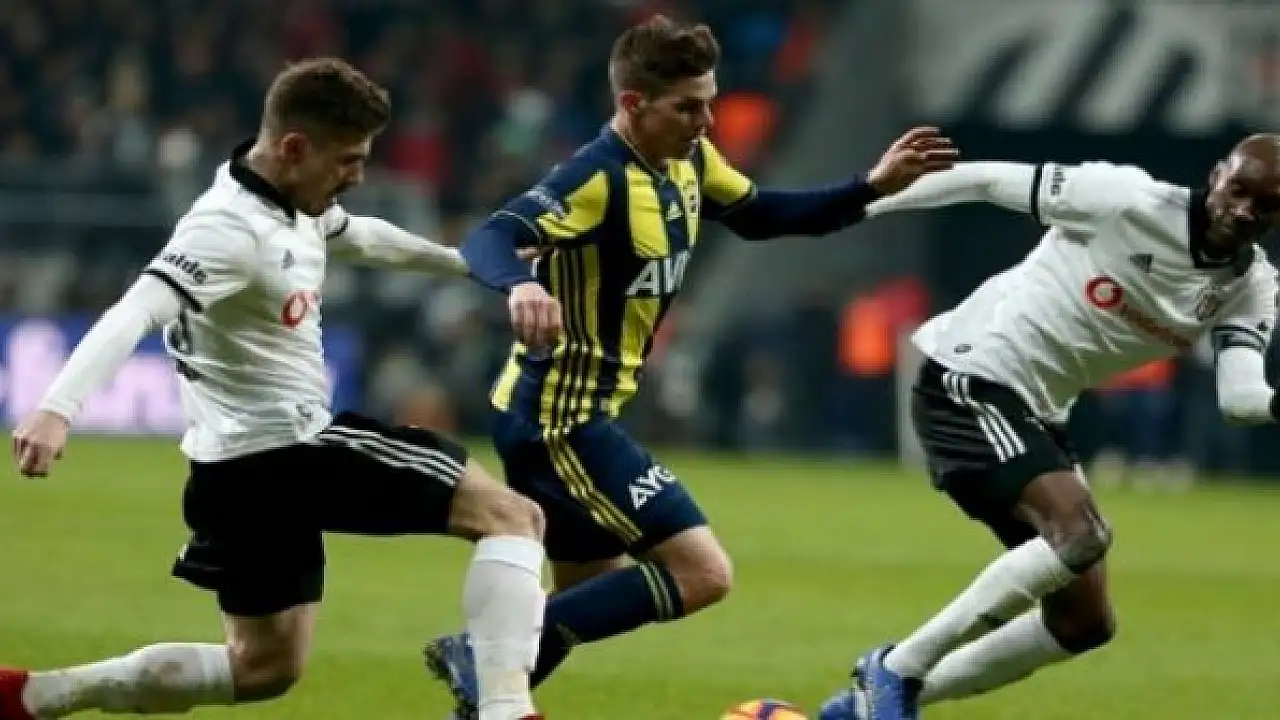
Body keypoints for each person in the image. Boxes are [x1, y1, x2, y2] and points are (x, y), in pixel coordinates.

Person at [423, 14, 958, 720]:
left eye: (709, 103)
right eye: (686, 107)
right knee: (702, 573)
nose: (705, 122)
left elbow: (763, 214)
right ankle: (485, 649)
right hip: (558, 420)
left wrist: (872, 186)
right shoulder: (595, 178)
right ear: (633, 104)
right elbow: (493, 235)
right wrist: (521, 286)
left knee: (587, 597)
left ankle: (488, 692)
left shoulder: (690, 163)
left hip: (573, 412)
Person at [4, 58, 548, 720]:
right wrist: (57, 408)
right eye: (347, 160)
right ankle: (507, 710)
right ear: (294, 148)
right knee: (513, 517)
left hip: (229, 476)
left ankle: (35, 696)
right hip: (290, 451)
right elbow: (138, 309)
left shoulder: (292, 201)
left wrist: (466, 264)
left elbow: (359, 236)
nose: (357, 175)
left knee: (262, 667)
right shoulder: (228, 230)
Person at [818, 134, 1280, 720]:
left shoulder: (1251, 288)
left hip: (1038, 410)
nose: (1244, 210)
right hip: (970, 375)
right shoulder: (1126, 199)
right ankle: (894, 670)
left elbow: (1242, 399)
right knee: (1080, 535)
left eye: (1265, 204)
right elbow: (986, 180)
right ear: (1215, 176)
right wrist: (854, 202)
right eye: (1238, 190)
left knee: (1082, 623)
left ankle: (867, 708)